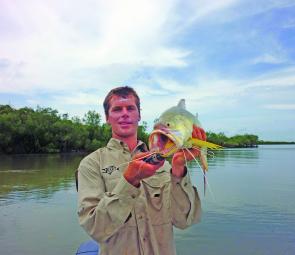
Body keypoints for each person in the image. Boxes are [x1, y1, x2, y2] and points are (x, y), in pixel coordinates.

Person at [77, 86, 203, 255]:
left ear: (139, 115)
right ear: (107, 117)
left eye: (130, 108)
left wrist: (179, 170)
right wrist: (129, 181)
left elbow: (184, 221)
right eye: (117, 109)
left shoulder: (164, 164)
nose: (124, 113)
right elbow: (96, 229)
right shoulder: (91, 165)